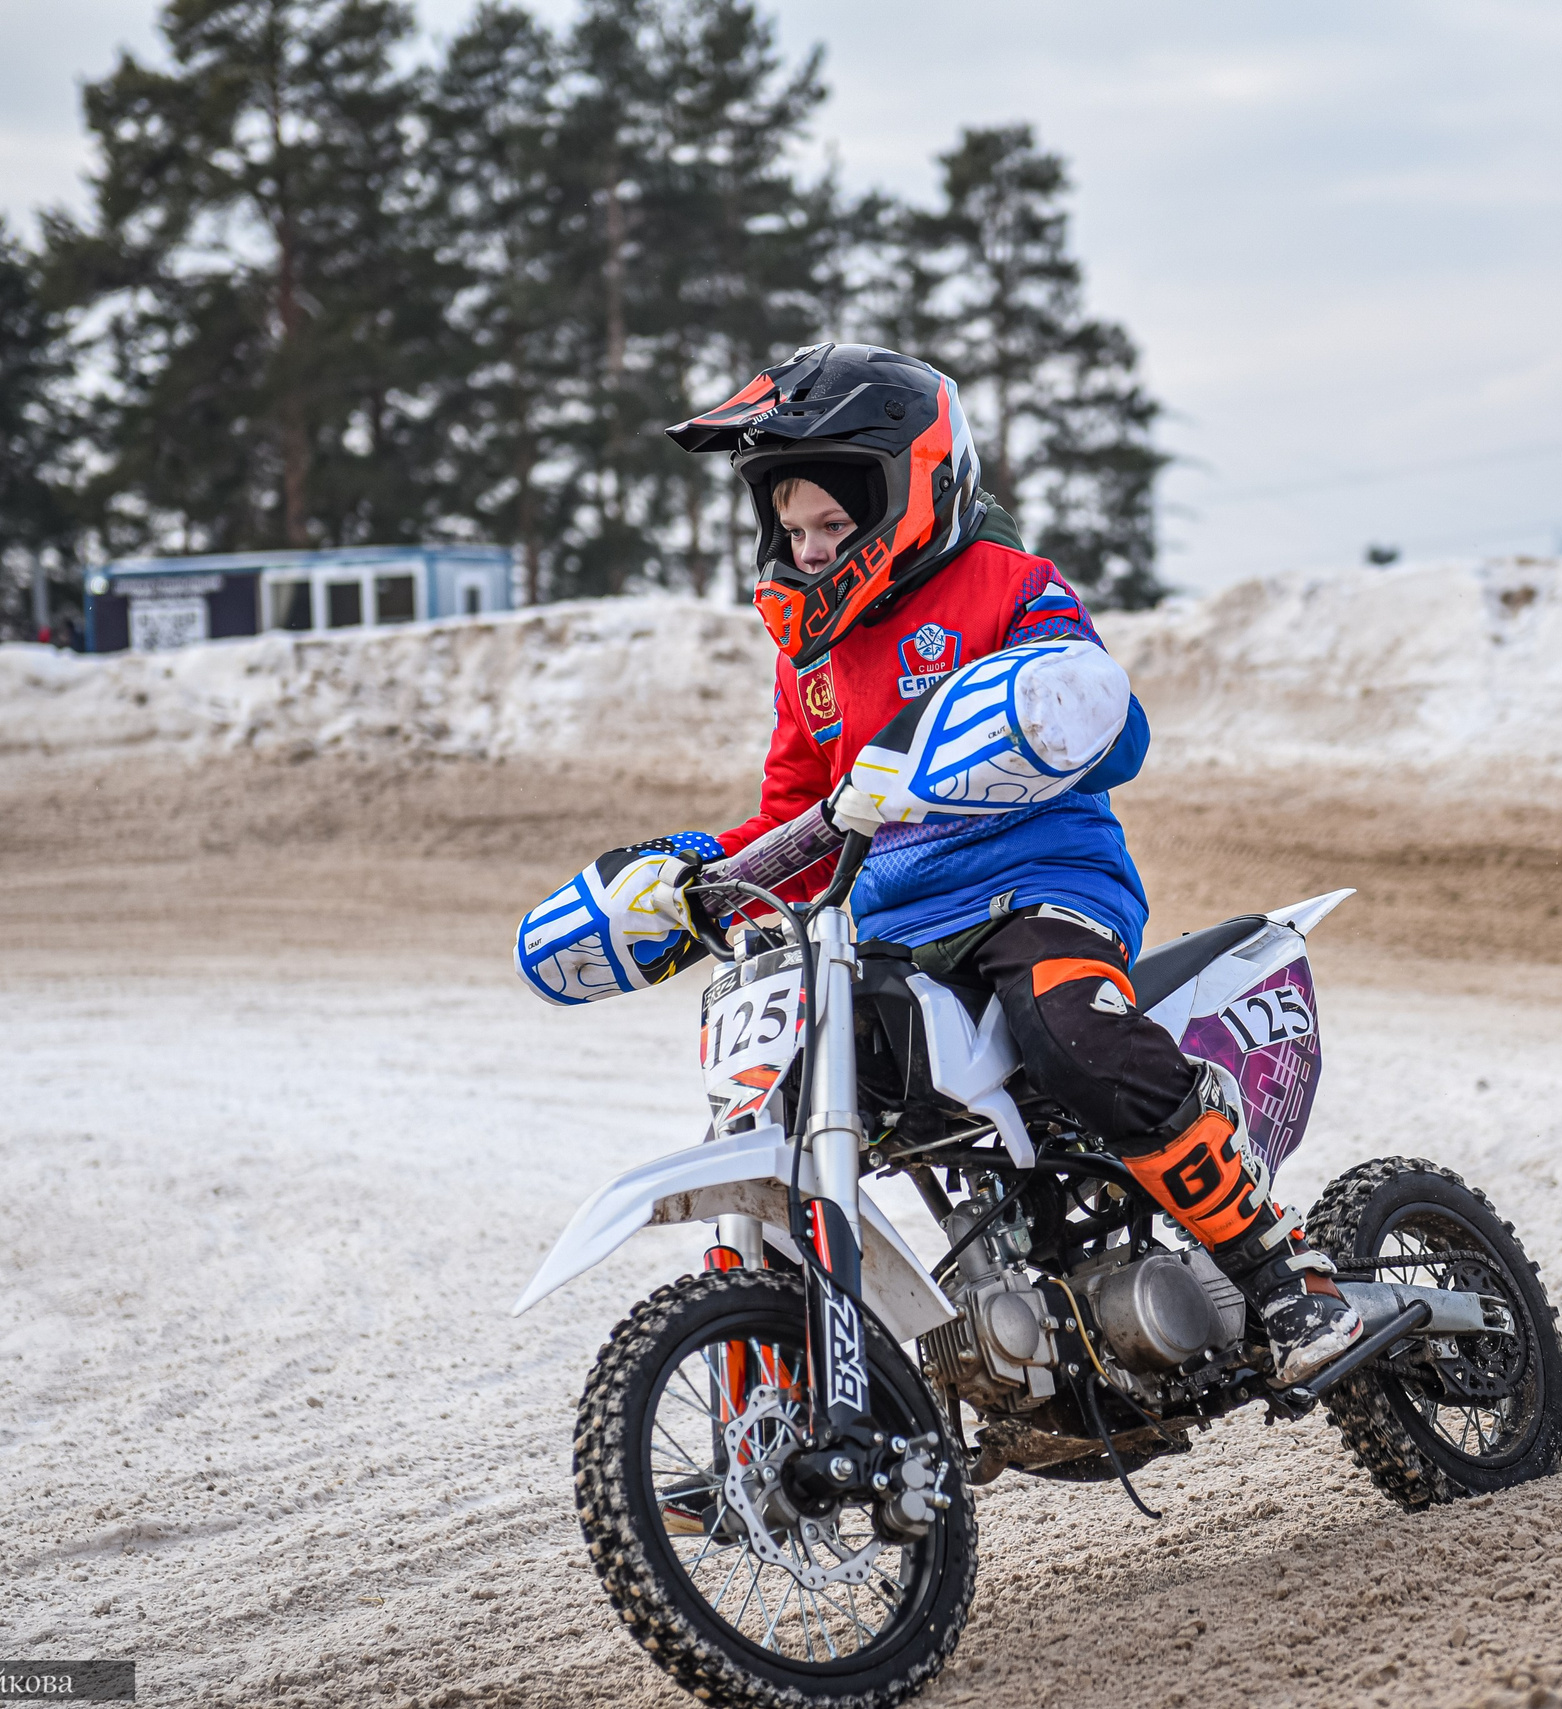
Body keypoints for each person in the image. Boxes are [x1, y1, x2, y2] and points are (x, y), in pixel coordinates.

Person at [516, 343, 1361, 1385]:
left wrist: (1020, 711)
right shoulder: (809, 661)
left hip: (1037, 886)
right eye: (793, 530)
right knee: (771, 1104)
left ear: (908, 492)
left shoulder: (1006, 584)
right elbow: (796, 820)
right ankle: (766, 1401)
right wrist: (693, 882)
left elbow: (1108, 719)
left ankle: (1281, 1270)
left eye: (835, 524)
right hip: (880, 925)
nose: (814, 550)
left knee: (1067, 1029)